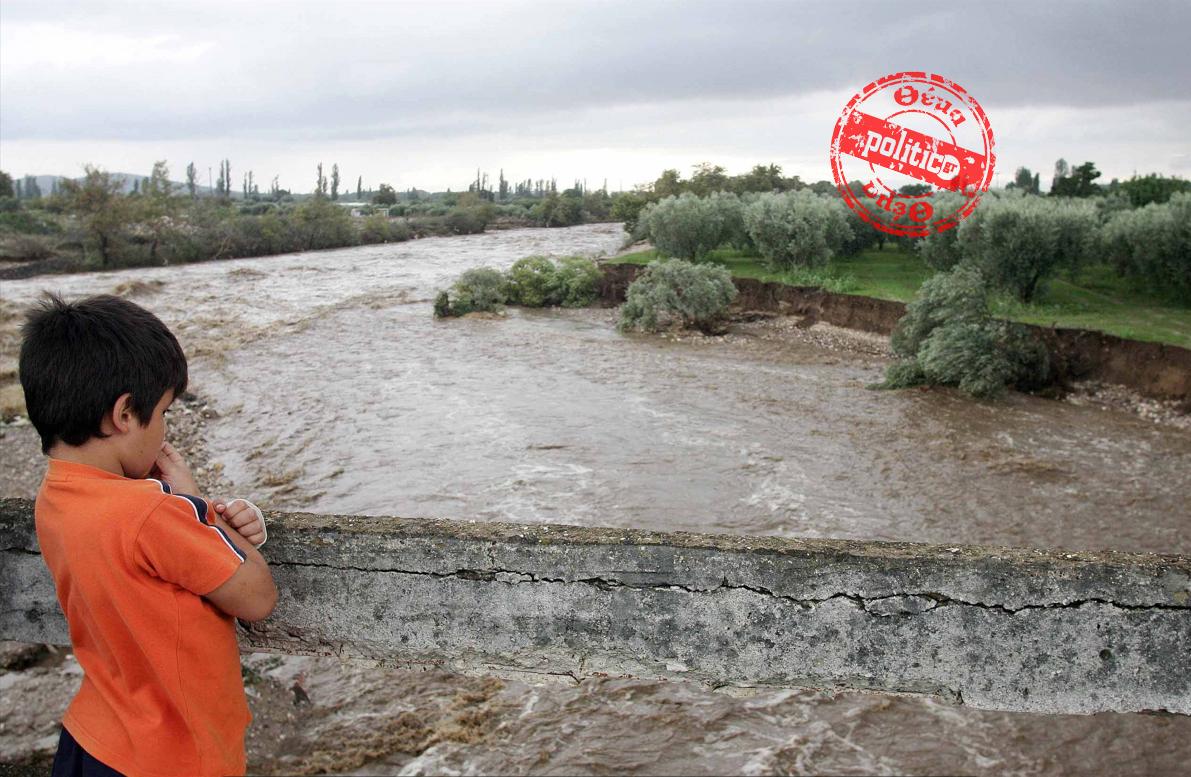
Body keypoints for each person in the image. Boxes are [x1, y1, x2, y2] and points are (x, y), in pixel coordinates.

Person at [18, 293, 278, 777]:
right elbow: (257, 596)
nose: (163, 432)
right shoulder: (153, 513)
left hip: (93, 738)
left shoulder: (54, 497)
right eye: (162, 414)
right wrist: (198, 505)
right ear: (123, 414)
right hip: (172, 754)